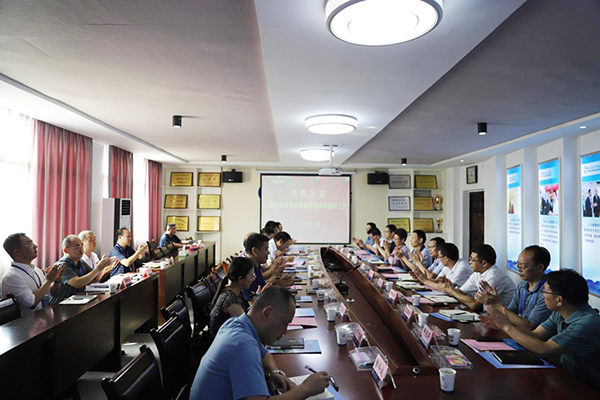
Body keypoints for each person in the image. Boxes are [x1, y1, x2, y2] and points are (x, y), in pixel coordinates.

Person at [190, 286, 331, 400]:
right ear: (267, 313)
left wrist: (275, 372)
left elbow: (265, 355)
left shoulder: (236, 323)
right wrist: (306, 389)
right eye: (285, 323)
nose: (285, 331)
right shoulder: (243, 344)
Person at [481, 269, 600, 392]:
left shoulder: (587, 323)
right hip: (565, 376)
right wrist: (502, 326)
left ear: (559, 300)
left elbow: (545, 349)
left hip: (586, 387)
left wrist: (507, 327)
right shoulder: (560, 313)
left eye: (545, 291)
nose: (542, 295)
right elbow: (536, 334)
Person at [477, 245, 551, 330]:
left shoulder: (547, 292)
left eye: (523, 266)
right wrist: (491, 303)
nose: (519, 269)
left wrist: (497, 304)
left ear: (540, 267)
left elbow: (529, 326)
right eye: (517, 265)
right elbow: (509, 313)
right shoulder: (522, 285)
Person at [1, 233, 65, 316]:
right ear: (18, 252)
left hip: (42, 318)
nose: (35, 246)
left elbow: (53, 293)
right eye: (29, 244)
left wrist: (56, 281)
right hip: (25, 322)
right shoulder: (11, 277)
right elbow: (31, 303)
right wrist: (49, 280)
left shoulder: (35, 269)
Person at [438, 244, 515, 311]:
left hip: (504, 318)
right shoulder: (477, 273)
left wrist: (450, 290)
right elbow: (461, 292)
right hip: (489, 314)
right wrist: (450, 289)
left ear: (484, 263)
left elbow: (474, 304)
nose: (470, 262)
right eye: (470, 259)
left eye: (473, 260)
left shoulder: (493, 277)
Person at [50, 235, 114, 304]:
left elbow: (96, 277)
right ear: (66, 250)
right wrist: (97, 269)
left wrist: (105, 265)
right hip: (60, 304)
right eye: (77, 247)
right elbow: (78, 283)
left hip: (77, 301)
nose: (81, 249)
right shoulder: (62, 265)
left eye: (82, 246)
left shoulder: (80, 262)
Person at [209, 257, 254, 336]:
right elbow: (247, 325)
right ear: (240, 279)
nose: (253, 279)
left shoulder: (235, 292)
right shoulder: (229, 300)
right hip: (223, 341)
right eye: (252, 276)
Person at [241, 234, 291, 301]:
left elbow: (263, 287)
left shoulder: (256, 266)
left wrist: (278, 283)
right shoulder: (247, 271)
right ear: (255, 251)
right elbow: (252, 303)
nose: (268, 252)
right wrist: (274, 275)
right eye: (266, 249)